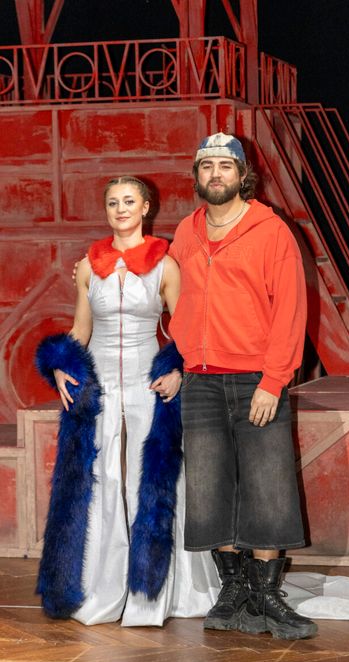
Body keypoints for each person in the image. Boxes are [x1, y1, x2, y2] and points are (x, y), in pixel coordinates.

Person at [35, 176, 219, 626]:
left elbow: (186, 330)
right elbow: (82, 329)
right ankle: (101, 587)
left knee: (149, 482)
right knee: (101, 480)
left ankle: (157, 593)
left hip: (146, 387)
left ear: (145, 208)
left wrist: (177, 371)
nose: (121, 209)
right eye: (113, 202)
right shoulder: (88, 267)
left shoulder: (165, 265)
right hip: (97, 390)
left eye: (129, 201)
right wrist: (59, 364)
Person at [167, 133, 318, 640]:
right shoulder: (186, 232)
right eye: (206, 165)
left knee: (268, 486)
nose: (215, 174)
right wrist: (179, 361)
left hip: (257, 378)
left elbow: (290, 310)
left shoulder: (271, 231)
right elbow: (170, 295)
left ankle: (267, 594)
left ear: (242, 174)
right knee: (210, 488)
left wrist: (274, 381)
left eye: (225, 166)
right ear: (197, 176)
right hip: (201, 381)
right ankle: (232, 589)